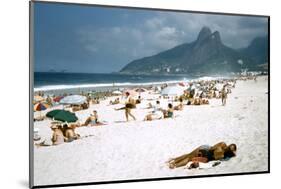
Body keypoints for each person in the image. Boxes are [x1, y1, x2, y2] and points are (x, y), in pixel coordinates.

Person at [167, 142, 237, 169]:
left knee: (189, 156)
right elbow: (212, 148)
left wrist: (219, 151)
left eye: (230, 148)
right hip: (205, 149)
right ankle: (175, 162)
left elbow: (214, 156)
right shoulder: (222, 146)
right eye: (230, 146)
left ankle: (174, 161)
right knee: (189, 156)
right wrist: (218, 149)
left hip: (206, 154)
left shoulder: (222, 152)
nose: (228, 147)